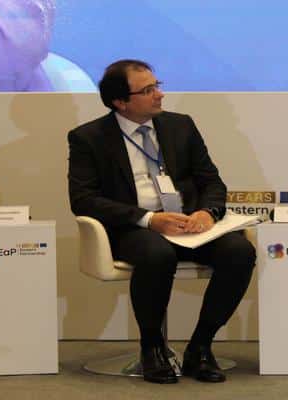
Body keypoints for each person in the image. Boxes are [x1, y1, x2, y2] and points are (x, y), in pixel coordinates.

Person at [68, 60, 255, 384]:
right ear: (120, 101)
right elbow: (83, 199)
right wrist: (150, 219)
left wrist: (207, 213)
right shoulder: (89, 138)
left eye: (158, 85)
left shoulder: (181, 126)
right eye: (148, 90)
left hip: (189, 226)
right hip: (134, 229)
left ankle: (200, 346)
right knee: (157, 254)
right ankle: (152, 347)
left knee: (239, 252)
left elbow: (211, 181)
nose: (160, 95)